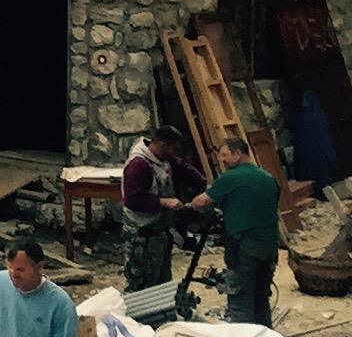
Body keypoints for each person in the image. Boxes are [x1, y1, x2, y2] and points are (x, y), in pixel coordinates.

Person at [118, 126, 207, 292]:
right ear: (161, 144)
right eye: (173, 149)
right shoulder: (138, 166)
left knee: (161, 277)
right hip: (141, 233)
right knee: (141, 280)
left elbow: (183, 168)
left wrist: (205, 184)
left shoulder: (164, 159)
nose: (173, 154)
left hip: (160, 229)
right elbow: (132, 199)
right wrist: (162, 202)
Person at [208, 133, 283, 326]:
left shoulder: (231, 178)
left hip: (245, 246)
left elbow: (202, 201)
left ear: (238, 153)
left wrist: (184, 205)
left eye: (224, 155)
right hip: (269, 245)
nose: (221, 160)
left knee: (240, 298)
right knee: (261, 298)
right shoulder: (268, 178)